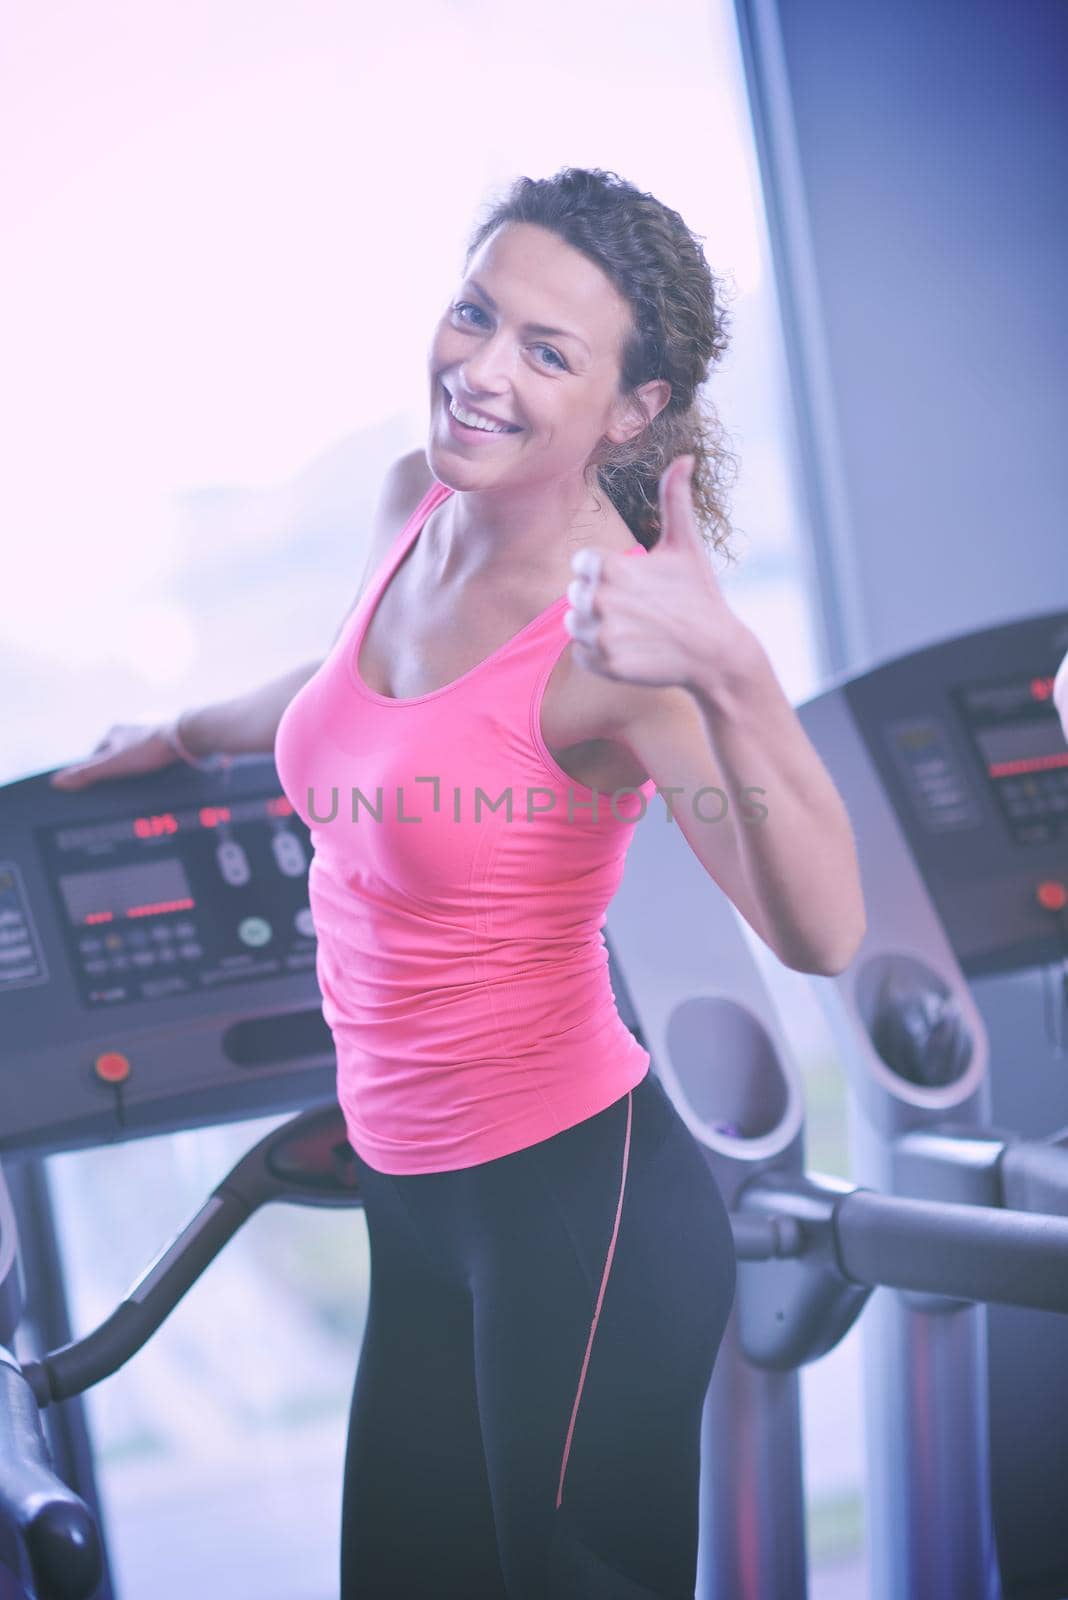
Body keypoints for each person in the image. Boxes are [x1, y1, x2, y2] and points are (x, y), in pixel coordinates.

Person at [51, 167, 866, 1597]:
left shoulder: (621, 644)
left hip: (580, 1209)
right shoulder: (411, 504)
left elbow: (823, 928)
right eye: (475, 315)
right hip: (416, 1201)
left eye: (548, 353)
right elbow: (355, 695)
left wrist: (733, 668)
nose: (481, 372)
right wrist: (177, 733)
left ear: (630, 409)